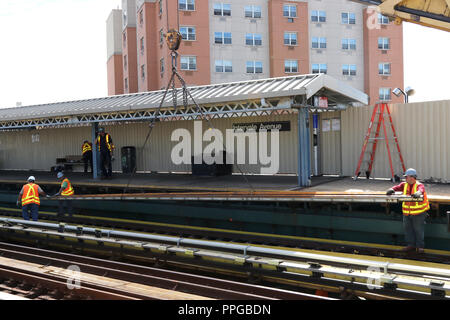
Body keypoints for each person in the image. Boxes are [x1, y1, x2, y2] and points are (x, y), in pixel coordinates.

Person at [386, 168, 429, 253]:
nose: (405, 178)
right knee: (408, 230)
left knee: (418, 230)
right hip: (407, 213)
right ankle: (411, 245)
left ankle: (420, 247)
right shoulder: (404, 184)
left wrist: (418, 193)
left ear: (412, 177)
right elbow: (397, 187)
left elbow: (421, 190)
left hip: (418, 213)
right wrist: (391, 189)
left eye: (407, 177)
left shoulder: (419, 185)